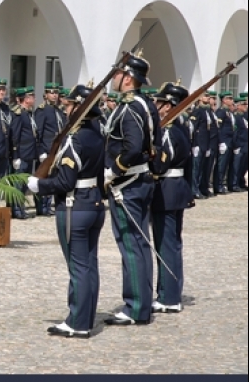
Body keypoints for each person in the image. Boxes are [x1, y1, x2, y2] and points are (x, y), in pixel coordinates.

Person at [26, 83, 105, 339]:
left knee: (78, 267)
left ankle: (78, 323)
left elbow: (65, 181)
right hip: (93, 202)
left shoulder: (75, 138)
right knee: (89, 265)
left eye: (70, 105)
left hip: (74, 205)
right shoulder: (97, 132)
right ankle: (85, 316)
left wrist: (39, 185)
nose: (66, 108)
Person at [102, 53, 159, 326]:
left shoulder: (128, 107)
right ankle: (142, 304)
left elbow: (134, 147)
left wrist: (114, 170)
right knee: (140, 245)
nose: (113, 78)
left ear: (127, 78)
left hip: (128, 184)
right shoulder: (145, 104)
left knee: (132, 246)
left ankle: (136, 307)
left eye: (116, 74)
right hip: (141, 180)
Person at [149, 81, 193, 315]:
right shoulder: (181, 128)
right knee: (173, 244)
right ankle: (170, 291)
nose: (156, 106)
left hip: (166, 189)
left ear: (169, 106)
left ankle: (168, 296)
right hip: (178, 189)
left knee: (166, 245)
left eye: (159, 102)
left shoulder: (166, 131)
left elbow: (160, 164)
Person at [35, 82, 64, 215]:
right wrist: (40, 150)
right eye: (51, 93)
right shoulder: (42, 110)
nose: (54, 95)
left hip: (56, 150)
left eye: (56, 93)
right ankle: (41, 206)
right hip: (46, 150)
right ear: (46, 94)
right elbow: (38, 132)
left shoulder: (59, 111)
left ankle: (47, 205)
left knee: (52, 178)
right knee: (42, 178)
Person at [10, 86, 39, 219]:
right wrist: (16, 156)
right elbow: (15, 136)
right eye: (31, 96)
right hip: (21, 154)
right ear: (25, 99)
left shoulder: (28, 113)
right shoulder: (19, 114)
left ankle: (20, 208)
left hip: (29, 154)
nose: (33, 98)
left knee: (24, 184)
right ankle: (16, 209)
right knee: (18, 184)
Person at [190, 91, 214, 199]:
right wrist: (194, 144)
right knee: (196, 169)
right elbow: (194, 128)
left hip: (205, 143)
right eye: (205, 96)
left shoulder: (206, 111)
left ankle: (198, 188)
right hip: (198, 143)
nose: (208, 98)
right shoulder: (197, 111)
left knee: (201, 169)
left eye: (208, 96)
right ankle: (194, 190)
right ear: (199, 98)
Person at [215, 92, 236, 194]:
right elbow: (218, 128)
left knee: (225, 165)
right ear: (224, 100)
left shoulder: (229, 112)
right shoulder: (221, 112)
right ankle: (218, 185)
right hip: (224, 142)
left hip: (229, 142)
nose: (232, 100)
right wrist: (221, 142)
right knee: (221, 166)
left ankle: (221, 184)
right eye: (229, 98)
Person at [232, 93, 248, 192]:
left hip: (245, 145)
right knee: (236, 167)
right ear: (238, 106)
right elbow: (235, 132)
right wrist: (236, 145)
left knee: (242, 166)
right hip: (239, 145)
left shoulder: (242, 117)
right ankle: (234, 184)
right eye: (244, 105)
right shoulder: (237, 117)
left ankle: (240, 182)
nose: (246, 106)